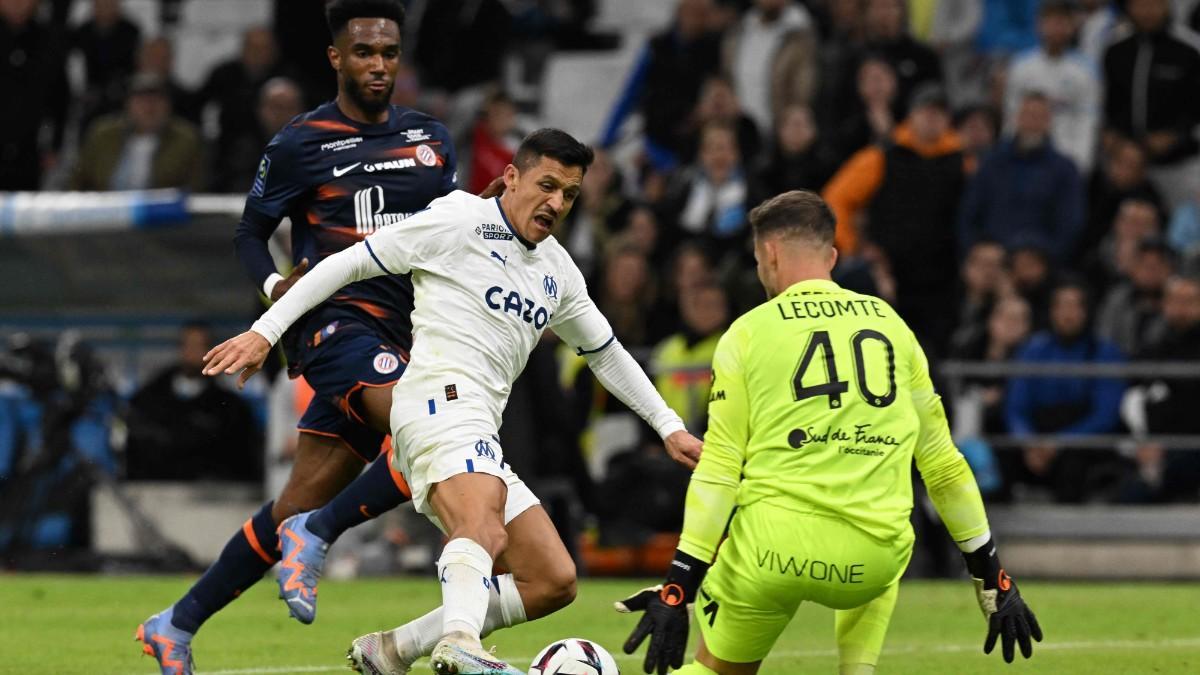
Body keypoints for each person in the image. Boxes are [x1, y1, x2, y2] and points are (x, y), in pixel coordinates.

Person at [202, 128, 704, 675]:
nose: (556, 203)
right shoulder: (458, 220)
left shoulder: (558, 272)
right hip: (435, 401)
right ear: (511, 177)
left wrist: (668, 426)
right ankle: (461, 641)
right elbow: (346, 264)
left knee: (551, 579)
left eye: (570, 194)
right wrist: (266, 331)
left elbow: (607, 353)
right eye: (547, 185)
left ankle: (392, 650)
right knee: (482, 530)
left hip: (478, 427)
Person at [135, 3, 460, 673]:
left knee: (293, 502)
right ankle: (320, 536)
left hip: (406, 337)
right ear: (336, 57)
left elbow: (447, 238)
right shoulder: (299, 143)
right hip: (336, 327)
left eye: (390, 53)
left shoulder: (431, 140)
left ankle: (175, 623)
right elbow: (250, 233)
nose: (378, 65)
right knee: (433, 432)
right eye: (364, 52)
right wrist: (277, 291)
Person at [615, 190, 1041, 675]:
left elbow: (719, 469)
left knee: (717, 669)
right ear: (832, 257)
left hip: (774, 553)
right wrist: (992, 574)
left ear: (770, 254)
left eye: (758, 261)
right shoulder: (893, 327)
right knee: (886, 520)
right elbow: (943, 466)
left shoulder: (747, 332)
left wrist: (678, 585)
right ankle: (857, 669)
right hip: (872, 564)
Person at [124, 321, 262, 482]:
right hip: (157, 490)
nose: (193, 353)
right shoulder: (149, 399)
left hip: (210, 497)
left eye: (199, 346)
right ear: (180, 348)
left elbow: (240, 460)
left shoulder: (230, 408)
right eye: (188, 345)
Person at [958, 92, 1085, 262]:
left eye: (1039, 116)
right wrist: (977, 251)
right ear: (1017, 118)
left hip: (1041, 264)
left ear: (1049, 121)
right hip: (992, 260)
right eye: (1028, 115)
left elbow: (1069, 224)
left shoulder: (1065, 170)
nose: (1032, 122)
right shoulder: (992, 162)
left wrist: (1042, 258)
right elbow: (969, 214)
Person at [1004, 0, 1101, 172]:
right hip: (1026, 154)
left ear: (1072, 27)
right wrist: (1008, 156)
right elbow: (1011, 115)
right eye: (1050, 21)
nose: (1056, 28)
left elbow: (1087, 120)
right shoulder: (1021, 66)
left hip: (1068, 155)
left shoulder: (1086, 71)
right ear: (1039, 25)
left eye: (1062, 22)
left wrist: (1081, 163)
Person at [69, 72, 206, 191]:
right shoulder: (102, 134)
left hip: (161, 217)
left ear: (168, 105)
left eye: (156, 100)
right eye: (141, 100)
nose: (149, 107)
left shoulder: (186, 140)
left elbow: (195, 189)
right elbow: (76, 181)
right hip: (105, 214)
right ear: (128, 105)